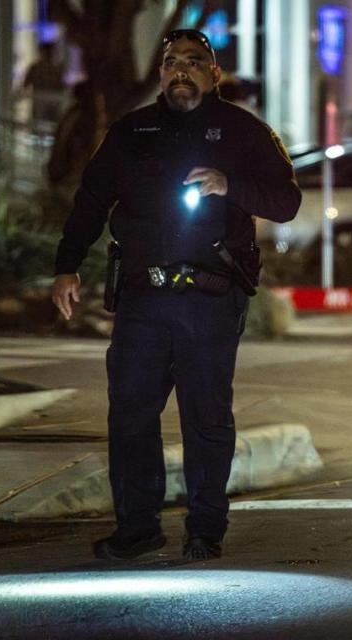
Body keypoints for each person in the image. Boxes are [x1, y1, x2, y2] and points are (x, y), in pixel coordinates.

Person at [51, 29, 301, 561]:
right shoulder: (132, 130)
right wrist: (66, 266)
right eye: (170, 63)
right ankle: (137, 528)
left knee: (206, 418)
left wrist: (230, 184)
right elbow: (91, 201)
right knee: (130, 414)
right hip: (143, 297)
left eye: (193, 62)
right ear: (161, 73)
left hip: (210, 299)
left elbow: (286, 201)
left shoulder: (243, 132)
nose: (180, 71)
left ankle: (205, 529)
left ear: (214, 74)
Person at [20, 42, 66, 124]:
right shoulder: (38, 68)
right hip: (43, 103)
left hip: (50, 103)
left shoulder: (55, 69)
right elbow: (25, 84)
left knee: (45, 126)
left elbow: (25, 85)